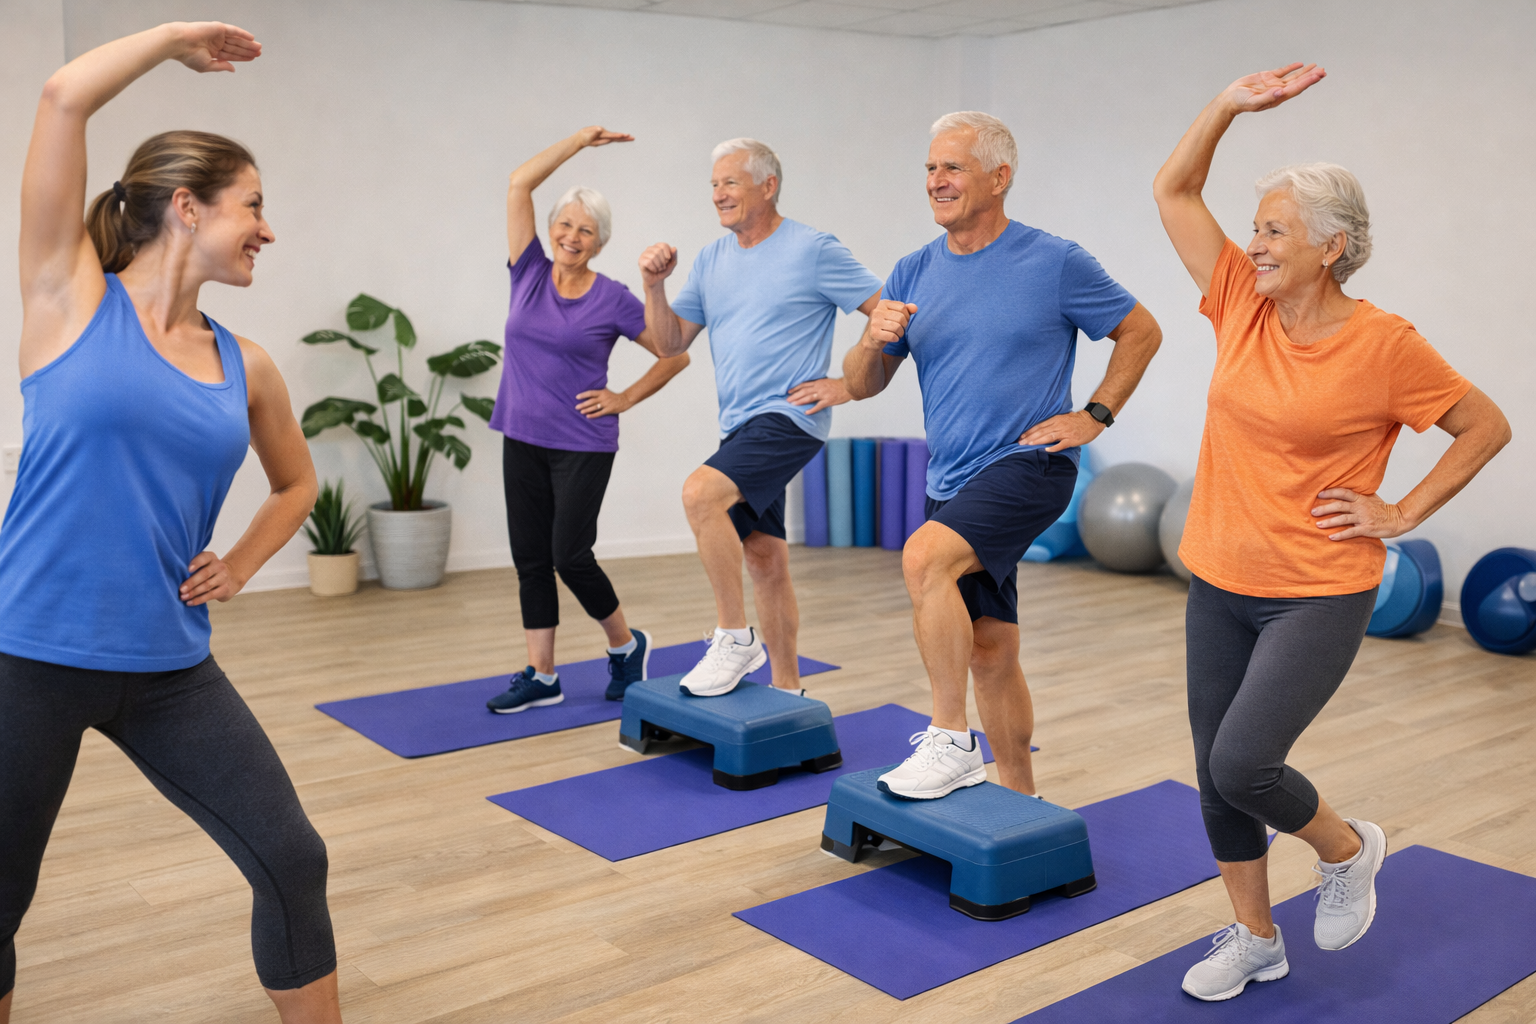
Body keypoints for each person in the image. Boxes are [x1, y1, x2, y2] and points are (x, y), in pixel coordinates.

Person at [0, 23, 343, 1024]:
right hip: (29, 651)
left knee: (292, 855)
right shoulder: (67, 297)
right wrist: (172, 42)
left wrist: (237, 564)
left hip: (167, 665)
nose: (268, 231)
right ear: (186, 207)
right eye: (255, 207)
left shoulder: (249, 365)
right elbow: (64, 96)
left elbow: (296, 485)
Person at [1152, 64, 1510, 1002]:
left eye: (1274, 229)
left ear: (1330, 246)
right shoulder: (1239, 300)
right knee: (1211, 774)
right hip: (1219, 577)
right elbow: (1173, 189)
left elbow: (1485, 424)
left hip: (1317, 588)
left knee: (1244, 762)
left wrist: (1402, 513)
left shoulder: (1385, 344)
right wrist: (1227, 104)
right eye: (1258, 226)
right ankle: (1255, 937)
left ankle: (1348, 850)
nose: (1256, 242)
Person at [843, 112, 1162, 801]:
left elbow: (1140, 330)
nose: (936, 181)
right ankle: (1021, 795)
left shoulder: (1053, 261)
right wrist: (873, 337)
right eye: (930, 169)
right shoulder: (912, 270)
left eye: (952, 168)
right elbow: (865, 385)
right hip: (951, 478)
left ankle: (951, 740)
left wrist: (1096, 414)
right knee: (991, 647)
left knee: (924, 557)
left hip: (1029, 464)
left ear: (999, 177)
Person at [638, 138, 882, 697]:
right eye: (714, 185)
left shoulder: (813, 249)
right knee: (765, 556)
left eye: (730, 183)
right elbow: (669, 343)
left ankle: (732, 637)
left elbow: (886, 311)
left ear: (768, 186)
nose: (719, 195)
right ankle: (789, 686)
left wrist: (849, 385)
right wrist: (654, 286)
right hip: (740, 425)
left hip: (788, 418)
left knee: (702, 493)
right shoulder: (711, 260)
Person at [484, 127, 690, 713]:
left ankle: (626, 645)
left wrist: (623, 396)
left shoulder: (614, 298)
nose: (572, 236)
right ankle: (542, 674)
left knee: (569, 554)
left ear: (600, 243)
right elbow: (519, 182)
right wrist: (579, 141)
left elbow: (674, 352)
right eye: (566, 225)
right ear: (552, 230)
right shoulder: (526, 270)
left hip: (582, 442)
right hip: (521, 433)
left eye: (586, 230)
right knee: (531, 558)